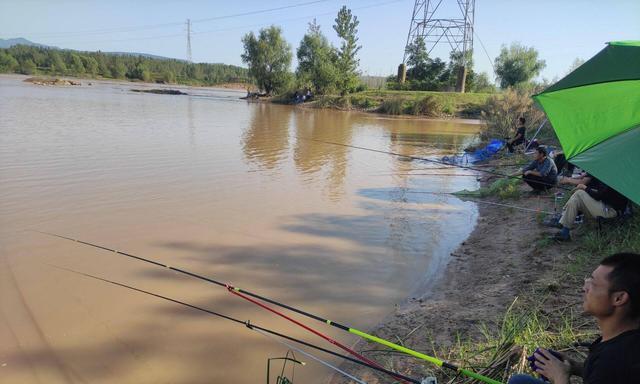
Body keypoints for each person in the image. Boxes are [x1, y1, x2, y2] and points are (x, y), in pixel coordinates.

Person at [508, 252, 640, 384]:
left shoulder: (613, 361)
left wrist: (560, 377)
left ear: (619, 298)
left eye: (593, 284)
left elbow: (607, 372)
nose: (584, 288)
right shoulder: (624, 339)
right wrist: (574, 367)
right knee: (519, 381)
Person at [552, 177, 629, 241]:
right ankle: (565, 232)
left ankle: (562, 221)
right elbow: (601, 194)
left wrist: (584, 187)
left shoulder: (616, 179)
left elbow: (599, 195)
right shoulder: (615, 177)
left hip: (611, 212)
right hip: (603, 207)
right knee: (576, 199)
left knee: (579, 193)